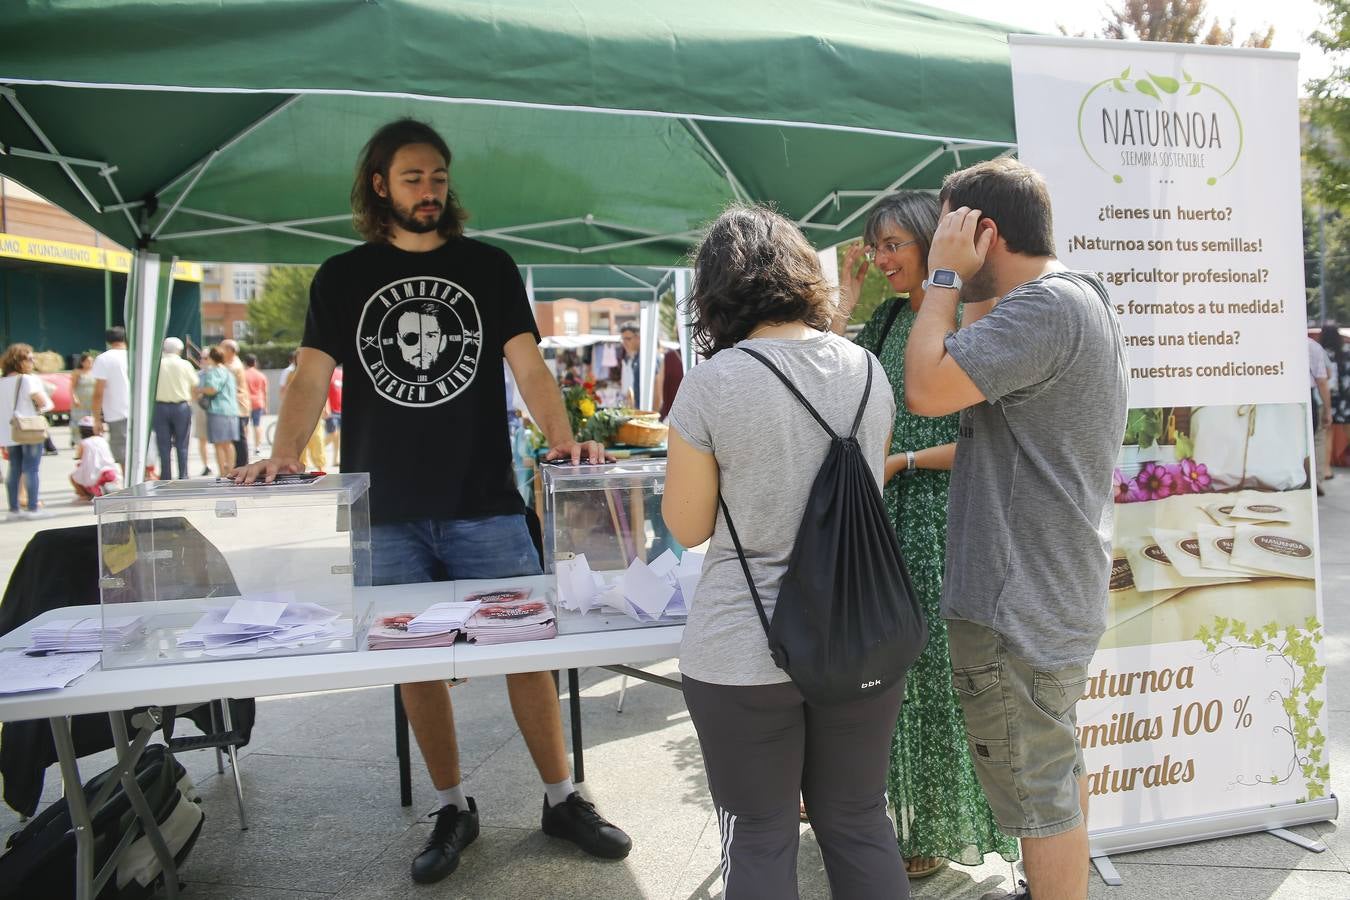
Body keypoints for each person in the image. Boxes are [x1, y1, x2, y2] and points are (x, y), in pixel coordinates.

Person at [237, 118, 630, 885]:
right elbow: (311, 376)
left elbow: (530, 366)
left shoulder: (488, 266)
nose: (430, 191)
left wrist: (563, 438)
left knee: (530, 651)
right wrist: (285, 453)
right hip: (384, 508)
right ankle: (453, 807)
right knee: (413, 661)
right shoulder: (341, 276)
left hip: (482, 498)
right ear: (379, 184)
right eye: (414, 178)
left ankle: (560, 796)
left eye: (439, 178)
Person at [661, 204, 907, 900]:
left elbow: (687, 525)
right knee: (860, 821)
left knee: (761, 835)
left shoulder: (713, 384)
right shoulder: (865, 369)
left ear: (715, 293)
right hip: (860, 636)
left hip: (746, 649)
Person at [904, 159, 1128, 900]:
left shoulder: (1044, 310)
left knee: (1041, 800)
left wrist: (941, 278)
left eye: (946, 230)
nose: (939, 246)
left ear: (983, 231)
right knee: (1053, 777)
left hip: (1017, 603)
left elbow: (929, 388)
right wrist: (966, 284)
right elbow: (969, 370)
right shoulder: (1072, 298)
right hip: (1046, 590)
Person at [836, 192, 1016, 878]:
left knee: (943, 678)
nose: (882, 260)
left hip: (948, 516)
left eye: (891, 246)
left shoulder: (972, 316)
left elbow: (987, 439)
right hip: (886, 520)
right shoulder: (883, 318)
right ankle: (907, 823)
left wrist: (902, 460)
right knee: (896, 681)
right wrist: (847, 295)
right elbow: (823, 375)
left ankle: (942, 830)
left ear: (924, 240)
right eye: (873, 248)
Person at [1, 343, 54, 520]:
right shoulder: (27, 379)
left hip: (9, 431)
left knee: (14, 469)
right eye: (30, 358)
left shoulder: (2, 382)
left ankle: (13, 509)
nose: (33, 361)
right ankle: (33, 508)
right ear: (20, 361)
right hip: (30, 429)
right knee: (31, 468)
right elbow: (44, 403)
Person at [154, 337, 197, 479]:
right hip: (181, 407)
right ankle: (183, 476)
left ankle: (165, 476)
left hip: (160, 406)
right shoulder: (185, 365)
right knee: (182, 444)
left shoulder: (157, 364)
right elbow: (195, 384)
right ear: (180, 349)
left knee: (163, 444)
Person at [90, 326, 130, 473]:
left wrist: (96, 419)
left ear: (108, 341)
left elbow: (98, 392)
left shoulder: (104, 359)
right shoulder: (136, 355)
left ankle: (131, 486)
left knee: (122, 452)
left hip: (116, 410)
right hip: (139, 410)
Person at [279, 350, 328, 470]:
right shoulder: (291, 374)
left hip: (314, 412)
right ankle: (301, 468)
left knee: (317, 441)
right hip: (296, 415)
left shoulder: (315, 373)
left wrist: (325, 408)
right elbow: (285, 393)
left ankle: (321, 468)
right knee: (299, 444)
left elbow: (322, 392)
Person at [199, 346, 239, 476]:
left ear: (211, 358)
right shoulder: (229, 372)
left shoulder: (213, 372)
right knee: (229, 443)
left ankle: (222, 472)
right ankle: (231, 470)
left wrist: (199, 390)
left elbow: (212, 389)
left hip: (217, 410)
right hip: (232, 410)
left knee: (219, 444)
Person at [70, 416, 119, 500]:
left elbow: (79, 456)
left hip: (93, 474)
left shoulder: (83, 443)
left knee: (73, 477)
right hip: (109, 470)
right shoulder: (102, 440)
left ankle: (85, 495)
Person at [220, 338, 250, 466]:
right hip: (235, 406)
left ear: (230, 351)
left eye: (222, 348)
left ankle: (241, 465)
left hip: (237, 407)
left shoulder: (232, 366)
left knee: (238, 439)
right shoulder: (232, 363)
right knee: (236, 438)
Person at [1323, 324, 1349, 470]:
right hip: (1346, 397)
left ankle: (1326, 469)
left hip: (1329, 397)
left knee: (1328, 432)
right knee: (1348, 429)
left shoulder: (1321, 353)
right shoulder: (1346, 352)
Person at [193, 350, 214, 475]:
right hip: (202, 409)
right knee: (202, 438)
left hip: (217, 409)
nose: (202, 360)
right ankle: (206, 465)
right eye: (201, 358)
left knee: (221, 440)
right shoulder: (198, 375)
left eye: (205, 358)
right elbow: (193, 392)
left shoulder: (219, 373)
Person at [69, 352, 96, 449]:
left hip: (91, 401)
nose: (90, 363)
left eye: (91, 361)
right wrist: (74, 398)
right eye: (88, 361)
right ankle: (76, 440)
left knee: (91, 420)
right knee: (78, 421)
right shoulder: (77, 372)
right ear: (82, 362)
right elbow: (72, 387)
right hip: (80, 400)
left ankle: (89, 439)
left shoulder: (95, 372)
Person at [244, 353, 269, 453]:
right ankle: (257, 447)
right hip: (258, 402)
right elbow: (265, 392)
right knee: (257, 425)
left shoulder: (243, 374)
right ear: (255, 363)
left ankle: (245, 445)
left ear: (245, 363)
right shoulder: (261, 375)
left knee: (245, 426)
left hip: (246, 402)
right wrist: (266, 406)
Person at [653, 347, 684, 422]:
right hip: (670, 416)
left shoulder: (669, 357)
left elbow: (658, 392)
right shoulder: (669, 357)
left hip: (670, 416)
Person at [618, 322, 642, 408]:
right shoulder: (630, 358)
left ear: (638, 337)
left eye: (628, 339)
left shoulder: (645, 359)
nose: (624, 342)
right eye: (623, 339)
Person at [324, 364, 343, 466]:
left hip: (340, 410)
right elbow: (324, 393)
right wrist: (326, 408)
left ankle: (335, 460)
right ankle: (318, 449)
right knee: (333, 434)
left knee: (338, 438)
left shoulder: (340, 373)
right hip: (331, 410)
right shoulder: (327, 372)